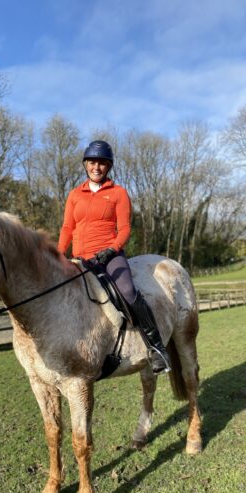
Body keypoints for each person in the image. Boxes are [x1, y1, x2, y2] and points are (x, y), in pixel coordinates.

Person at [58, 140, 171, 374]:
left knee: (128, 292)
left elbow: (125, 228)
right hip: (80, 258)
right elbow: (67, 228)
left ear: (108, 166)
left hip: (109, 256)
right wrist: (59, 255)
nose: (96, 167)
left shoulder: (118, 193)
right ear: (85, 164)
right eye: (92, 162)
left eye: (101, 163)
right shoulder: (74, 195)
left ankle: (157, 348)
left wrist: (112, 248)